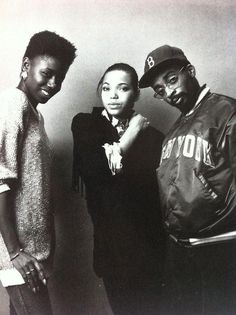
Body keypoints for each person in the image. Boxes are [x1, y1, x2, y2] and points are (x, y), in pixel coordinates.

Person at [139, 44, 236, 314]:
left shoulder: (227, 112)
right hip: (182, 250)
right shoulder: (172, 131)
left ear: (190, 71)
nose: (168, 92)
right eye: (159, 90)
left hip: (220, 246)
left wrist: (218, 226)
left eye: (171, 80)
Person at [72, 63, 165, 315]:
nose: (112, 95)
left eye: (122, 88)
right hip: (112, 251)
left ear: (136, 93)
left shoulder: (155, 138)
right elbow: (95, 171)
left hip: (151, 251)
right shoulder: (85, 125)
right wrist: (133, 130)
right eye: (106, 88)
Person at [0, 30, 76, 315]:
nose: (54, 83)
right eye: (47, 73)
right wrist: (15, 251)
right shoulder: (12, 102)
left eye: (60, 78)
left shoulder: (35, 114)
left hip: (33, 256)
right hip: (21, 257)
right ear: (25, 67)